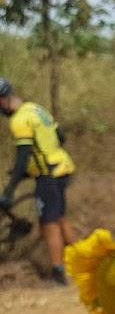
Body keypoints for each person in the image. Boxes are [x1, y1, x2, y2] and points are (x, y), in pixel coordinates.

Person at [0, 78, 77, 285]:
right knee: (60, 218)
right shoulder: (35, 109)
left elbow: (22, 156)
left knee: (49, 224)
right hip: (63, 167)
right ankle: (84, 262)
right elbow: (60, 137)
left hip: (48, 175)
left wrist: (9, 191)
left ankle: (58, 275)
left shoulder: (18, 121)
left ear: (3, 100)